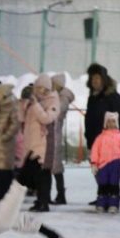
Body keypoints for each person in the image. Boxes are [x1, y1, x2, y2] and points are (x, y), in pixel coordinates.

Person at [20, 74, 60, 212]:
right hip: (32, 144)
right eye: (37, 87)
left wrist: (35, 104)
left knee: (43, 174)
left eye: (41, 87)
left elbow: (47, 118)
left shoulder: (53, 101)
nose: (38, 90)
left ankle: (44, 201)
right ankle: (39, 201)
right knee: (33, 174)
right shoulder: (34, 101)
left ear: (47, 88)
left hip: (45, 144)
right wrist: (23, 101)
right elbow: (21, 117)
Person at [90, 112, 120, 213]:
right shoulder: (100, 137)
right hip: (103, 165)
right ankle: (101, 203)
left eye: (113, 121)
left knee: (114, 184)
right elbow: (95, 150)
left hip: (115, 164)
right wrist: (94, 163)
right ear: (105, 123)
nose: (111, 124)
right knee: (102, 184)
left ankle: (113, 204)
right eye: (109, 121)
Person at [49, 74, 75, 205]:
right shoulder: (56, 96)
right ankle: (52, 193)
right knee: (50, 165)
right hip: (51, 133)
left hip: (55, 134)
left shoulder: (62, 97)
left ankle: (60, 194)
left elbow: (57, 111)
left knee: (56, 165)